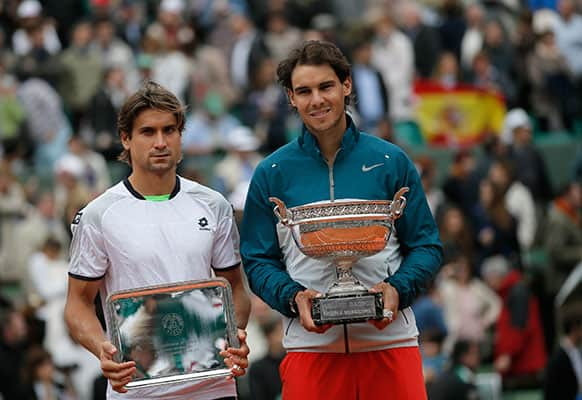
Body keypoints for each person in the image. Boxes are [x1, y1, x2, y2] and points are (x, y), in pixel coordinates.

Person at [240, 40, 442, 400]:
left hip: (390, 344)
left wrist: (397, 289)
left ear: (346, 85)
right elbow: (258, 260)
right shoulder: (272, 173)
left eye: (325, 87)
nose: (316, 100)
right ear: (290, 97)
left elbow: (426, 246)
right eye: (304, 91)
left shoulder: (391, 161)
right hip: (311, 350)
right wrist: (294, 298)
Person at [64, 81, 251, 400]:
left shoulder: (214, 204)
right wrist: (104, 350)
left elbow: (233, 287)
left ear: (181, 136)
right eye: (148, 132)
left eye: (170, 130)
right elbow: (78, 304)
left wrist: (234, 334)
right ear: (126, 138)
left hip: (212, 385)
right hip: (138, 389)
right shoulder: (99, 215)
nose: (161, 142)